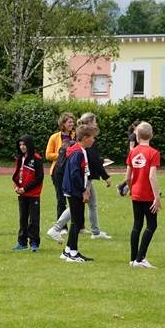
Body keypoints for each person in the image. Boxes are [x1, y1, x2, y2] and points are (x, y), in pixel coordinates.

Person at [46, 113, 112, 240]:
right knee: (76, 205)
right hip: (81, 180)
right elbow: (78, 169)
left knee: (87, 205)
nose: (96, 124)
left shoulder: (81, 143)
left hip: (83, 178)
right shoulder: (79, 148)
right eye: (95, 122)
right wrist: (84, 188)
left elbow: (90, 160)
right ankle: (57, 229)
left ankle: (93, 232)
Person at [125, 121, 161, 268]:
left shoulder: (132, 152)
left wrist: (131, 188)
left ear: (137, 136)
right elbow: (152, 176)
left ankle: (133, 259)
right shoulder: (153, 153)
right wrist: (157, 196)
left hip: (136, 194)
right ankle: (140, 258)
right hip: (147, 194)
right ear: (151, 135)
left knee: (137, 225)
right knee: (152, 225)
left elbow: (128, 176)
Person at [60, 123, 97, 263]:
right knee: (77, 221)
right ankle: (73, 253)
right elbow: (75, 173)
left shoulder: (79, 150)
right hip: (74, 191)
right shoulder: (77, 152)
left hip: (74, 189)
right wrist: (82, 190)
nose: (93, 140)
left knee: (77, 220)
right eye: (92, 137)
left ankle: (68, 250)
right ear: (85, 137)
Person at [11, 135, 44, 252]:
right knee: (22, 219)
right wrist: (16, 186)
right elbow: (16, 175)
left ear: (29, 145)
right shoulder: (19, 158)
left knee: (34, 220)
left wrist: (25, 188)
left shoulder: (37, 158)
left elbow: (39, 178)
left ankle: (34, 243)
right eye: (20, 145)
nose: (22, 147)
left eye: (24, 144)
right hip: (22, 194)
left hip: (33, 194)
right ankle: (22, 242)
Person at [46, 112, 75, 220]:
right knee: (61, 199)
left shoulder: (76, 135)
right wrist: (63, 155)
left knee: (75, 199)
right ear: (63, 123)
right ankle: (62, 227)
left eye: (72, 122)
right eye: (69, 122)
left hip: (72, 170)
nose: (72, 124)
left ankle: (79, 225)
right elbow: (48, 155)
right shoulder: (54, 137)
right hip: (58, 171)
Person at [118, 120, 141, 197]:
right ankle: (122, 187)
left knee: (134, 175)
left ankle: (122, 187)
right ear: (135, 127)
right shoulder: (133, 136)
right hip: (133, 157)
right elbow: (131, 148)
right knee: (134, 175)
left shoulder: (137, 136)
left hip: (136, 157)